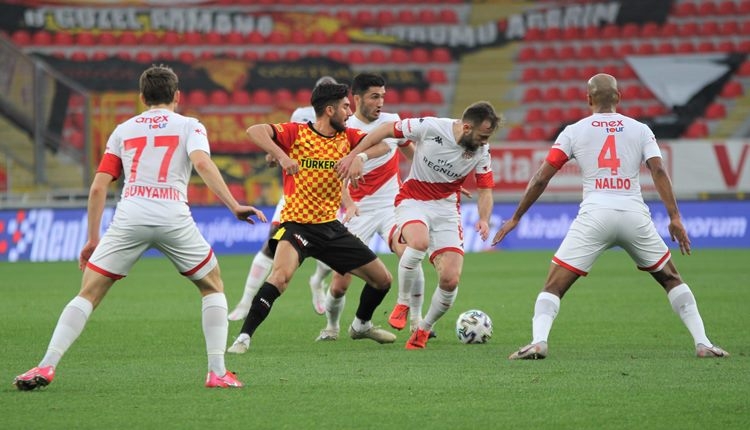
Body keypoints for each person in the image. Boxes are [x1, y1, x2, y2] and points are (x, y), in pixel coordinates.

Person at [13, 65, 267, 391]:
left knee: (88, 292)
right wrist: (234, 205)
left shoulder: (123, 130)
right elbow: (202, 163)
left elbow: (97, 187)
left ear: (142, 97)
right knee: (212, 286)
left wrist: (92, 240)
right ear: (177, 96)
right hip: (173, 217)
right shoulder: (190, 125)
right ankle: (217, 372)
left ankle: (46, 365)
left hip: (130, 216)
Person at [492, 73, 729, 360]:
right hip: (633, 214)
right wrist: (674, 217)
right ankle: (703, 343)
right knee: (671, 279)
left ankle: (539, 341)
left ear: (588, 99)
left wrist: (516, 217)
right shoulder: (640, 129)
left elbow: (542, 177)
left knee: (553, 286)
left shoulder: (574, 131)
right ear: (619, 97)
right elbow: (658, 171)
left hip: (595, 215)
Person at [227, 82, 396, 354]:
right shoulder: (297, 133)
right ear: (329, 110)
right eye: (344, 107)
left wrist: (359, 156)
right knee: (280, 278)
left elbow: (384, 145)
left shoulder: (347, 138)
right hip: (296, 226)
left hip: (330, 228)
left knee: (383, 280)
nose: (349, 112)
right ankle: (243, 338)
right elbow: (254, 131)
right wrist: (282, 157)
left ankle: (361, 325)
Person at [337, 101, 501, 349]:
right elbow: (386, 130)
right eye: (482, 136)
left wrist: (484, 219)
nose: (485, 142)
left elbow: (485, 189)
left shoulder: (482, 151)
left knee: (450, 279)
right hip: (413, 200)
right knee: (419, 242)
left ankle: (423, 329)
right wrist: (355, 155)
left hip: (447, 210)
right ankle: (402, 303)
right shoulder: (431, 127)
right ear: (467, 127)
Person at [315, 72, 426, 341]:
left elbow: (407, 150)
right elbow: (336, 174)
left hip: (392, 205)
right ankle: (331, 327)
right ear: (356, 99)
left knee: (410, 252)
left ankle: (417, 321)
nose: (380, 103)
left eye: (383, 97)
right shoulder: (343, 128)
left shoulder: (393, 122)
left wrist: (431, 176)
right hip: (359, 209)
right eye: (374, 97)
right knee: (341, 283)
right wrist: (349, 203)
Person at [227, 76, 338, 320]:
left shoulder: (341, 119)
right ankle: (245, 302)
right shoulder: (300, 114)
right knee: (271, 244)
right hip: (296, 195)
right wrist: (273, 155)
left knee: (335, 252)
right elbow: (284, 142)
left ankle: (318, 281)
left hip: (330, 197)